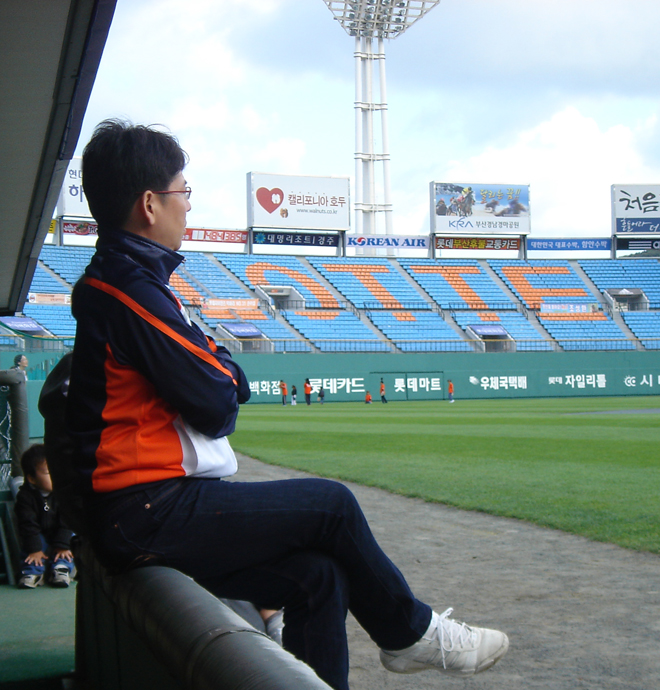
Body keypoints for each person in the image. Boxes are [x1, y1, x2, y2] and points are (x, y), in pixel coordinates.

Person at [66, 120, 508, 690]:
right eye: (183, 192)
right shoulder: (129, 288)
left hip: (145, 508)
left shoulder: (128, 281)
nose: (189, 206)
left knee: (319, 576)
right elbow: (218, 403)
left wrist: (220, 368)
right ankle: (409, 633)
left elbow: (219, 376)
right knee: (332, 505)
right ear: (150, 204)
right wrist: (222, 369)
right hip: (145, 510)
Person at [14, 444, 75, 588]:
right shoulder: (25, 497)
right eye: (49, 473)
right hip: (38, 533)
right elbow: (28, 524)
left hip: (61, 531)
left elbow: (68, 519)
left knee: (71, 537)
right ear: (32, 479)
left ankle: (61, 568)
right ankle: (32, 571)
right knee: (31, 541)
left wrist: (62, 545)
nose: (55, 476)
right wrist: (35, 549)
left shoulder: (64, 493)